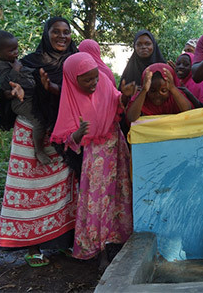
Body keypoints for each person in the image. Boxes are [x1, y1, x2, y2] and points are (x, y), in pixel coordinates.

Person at [0, 17, 78, 268]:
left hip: (61, 131)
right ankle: (32, 246)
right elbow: (4, 91)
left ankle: (62, 242)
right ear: (46, 33)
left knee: (63, 188)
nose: (62, 37)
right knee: (29, 188)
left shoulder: (75, 61)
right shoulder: (28, 62)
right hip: (30, 129)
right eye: (56, 32)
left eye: (66, 32)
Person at [50, 52, 135, 269]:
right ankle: (99, 249)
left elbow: (117, 103)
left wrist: (124, 97)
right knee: (97, 200)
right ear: (72, 79)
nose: (93, 83)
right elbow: (68, 138)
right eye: (87, 80)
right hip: (95, 157)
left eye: (95, 77)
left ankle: (118, 239)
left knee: (119, 194)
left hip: (116, 147)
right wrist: (79, 133)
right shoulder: (69, 99)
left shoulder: (104, 82)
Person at [0, 30, 52, 165]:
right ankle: (39, 150)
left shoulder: (13, 61)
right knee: (39, 121)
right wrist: (16, 70)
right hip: (21, 102)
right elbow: (5, 84)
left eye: (16, 48)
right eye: (11, 50)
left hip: (31, 96)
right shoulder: (0, 66)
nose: (16, 52)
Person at [126, 63, 193, 122]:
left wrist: (172, 88)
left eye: (163, 90)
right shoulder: (140, 97)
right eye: (152, 91)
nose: (157, 95)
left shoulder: (176, 95)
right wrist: (144, 90)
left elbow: (188, 111)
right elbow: (131, 118)